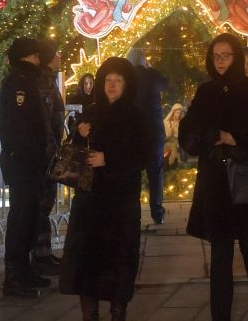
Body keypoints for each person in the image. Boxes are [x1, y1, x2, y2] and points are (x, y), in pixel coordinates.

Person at [180, 33, 248, 321]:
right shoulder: (206, 91)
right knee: (220, 257)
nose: (221, 61)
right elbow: (189, 130)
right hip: (216, 182)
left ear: (237, 57)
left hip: (247, 180)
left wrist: (234, 138)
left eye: (226, 55)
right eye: (216, 56)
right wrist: (204, 136)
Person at [60, 57, 151, 321]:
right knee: (86, 260)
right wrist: (79, 134)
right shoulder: (91, 112)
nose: (112, 85)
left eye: (118, 80)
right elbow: (73, 152)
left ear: (127, 85)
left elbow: (143, 155)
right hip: (90, 200)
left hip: (120, 201)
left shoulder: (135, 117)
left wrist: (108, 159)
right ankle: (89, 314)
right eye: (108, 80)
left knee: (118, 259)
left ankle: (117, 311)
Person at [0, 38, 54, 297]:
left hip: (32, 161)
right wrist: (33, 154)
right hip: (23, 162)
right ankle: (14, 276)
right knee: (21, 218)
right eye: (34, 56)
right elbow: (20, 127)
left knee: (31, 216)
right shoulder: (18, 84)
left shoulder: (27, 81)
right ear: (24, 58)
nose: (38, 61)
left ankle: (25, 270)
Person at [34, 39, 69, 273]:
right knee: (40, 205)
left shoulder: (49, 79)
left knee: (44, 206)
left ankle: (44, 253)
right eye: (55, 55)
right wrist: (51, 150)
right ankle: (39, 256)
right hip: (45, 153)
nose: (59, 58)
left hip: (51, 150)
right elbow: (45, 119)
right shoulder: (42, 82)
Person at [130, 48, 169, 223]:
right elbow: (165, 83)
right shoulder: (151, 75)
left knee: (133, 173)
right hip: (154, 131)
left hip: (134, 132)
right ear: (144, 60)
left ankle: (132, 211)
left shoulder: (128, 77)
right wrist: (151, 68)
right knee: (156, 173)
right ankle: (157, 212)